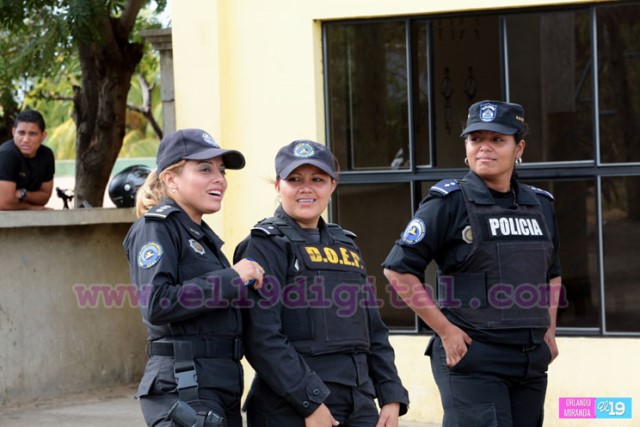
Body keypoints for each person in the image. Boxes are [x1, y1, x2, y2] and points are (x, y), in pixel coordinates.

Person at [383, 100, 562, 427]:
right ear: (466, 147)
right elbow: (398, 270)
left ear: (518, 147)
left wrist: (549, 330)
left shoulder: (540, 205)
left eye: (497, 140)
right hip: (473, 359)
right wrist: (445, 331)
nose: (484, 148)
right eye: (476, 139)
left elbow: (552, 275)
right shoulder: (448, 203)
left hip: (530, 361)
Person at [235, 140, 409, 427]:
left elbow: (373, 330)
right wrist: (310, 402)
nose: (306, 188)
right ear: (278, 186)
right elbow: (262, 338)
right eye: (294, 179)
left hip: (359, 402)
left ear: (332, 184)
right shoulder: (265, 245)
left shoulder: (346, 245)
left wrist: (391, 395)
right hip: (290, 407)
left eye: (317, 179)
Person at [123, 128, 265, 427]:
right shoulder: (157, 228)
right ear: (171, 179)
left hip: (217, 383)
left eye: (221, 171)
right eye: (204, 169)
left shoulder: (201, 237)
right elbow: (157, 304)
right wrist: (233, 277)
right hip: (183, 383)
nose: (220, 179)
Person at [0, 109, 54, 210]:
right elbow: (4, 204)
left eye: (32, 134)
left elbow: (45, 197)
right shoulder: (6, 154)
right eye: (21, 133)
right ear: (13, 132)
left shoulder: (47, 155)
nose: (26, 140)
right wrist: (33, 208)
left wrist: (24, 194)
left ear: (43, 136)